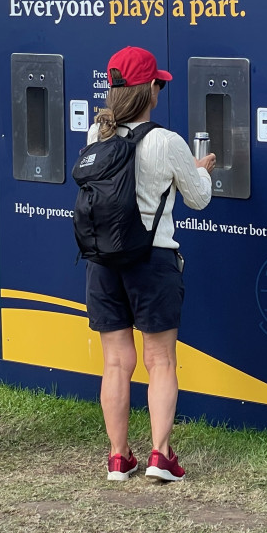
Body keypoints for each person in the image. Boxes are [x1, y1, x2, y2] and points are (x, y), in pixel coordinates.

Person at [84, 46, 214, 483]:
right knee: (160, 361)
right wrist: (201, 171)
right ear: (151, 90)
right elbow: (197, 198)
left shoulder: (95, 134)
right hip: (153, 260)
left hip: (103, 262)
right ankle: (161, 456)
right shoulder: (165, 140)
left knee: (116, 363)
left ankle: (119, 457)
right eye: (158, 83)